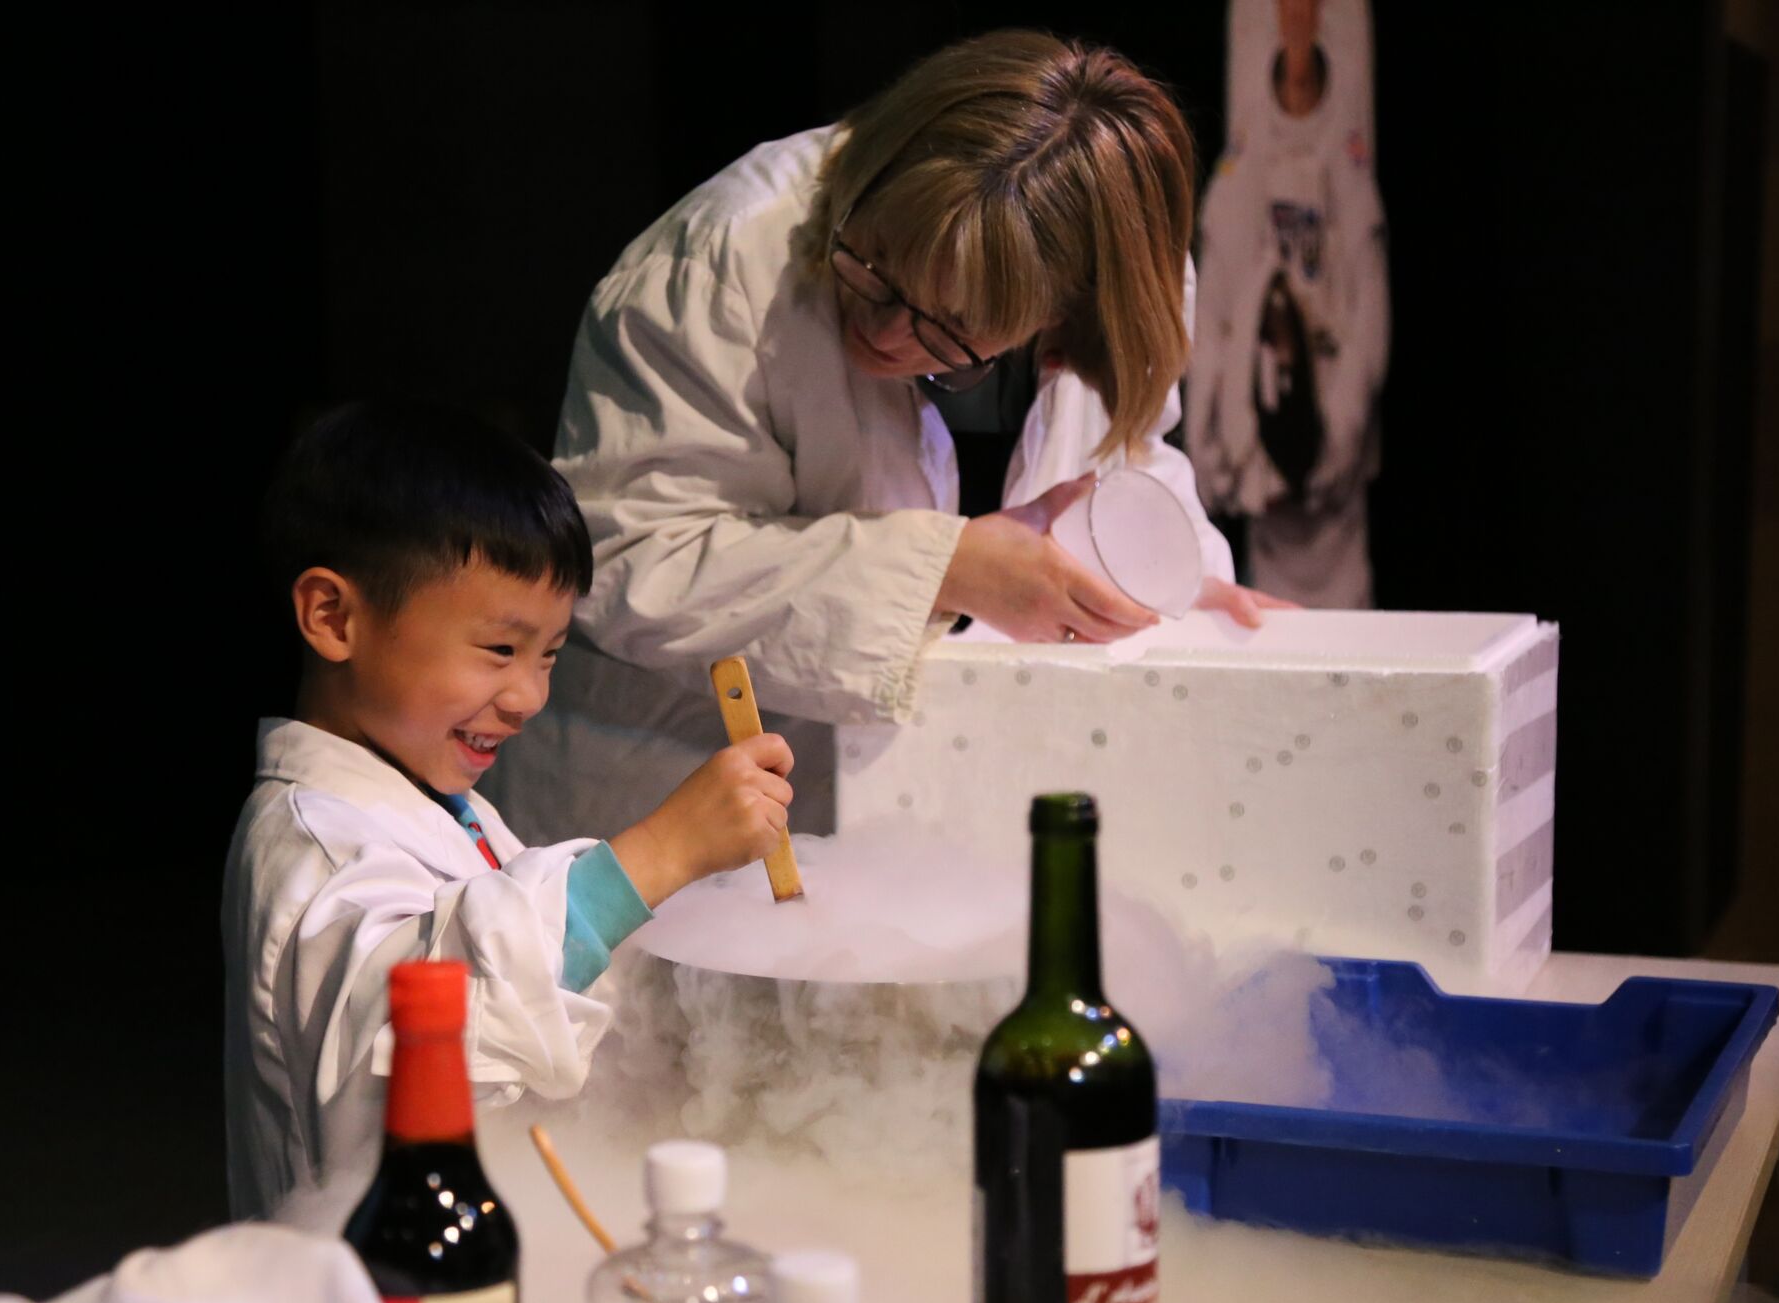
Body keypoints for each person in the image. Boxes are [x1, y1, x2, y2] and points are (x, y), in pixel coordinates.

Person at [487, 29, 1289, 846]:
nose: (884, 332)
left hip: (960, 797)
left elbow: (1133, 451)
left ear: (1060, 315)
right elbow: (629, 557)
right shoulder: (721, 261)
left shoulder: (1116, 288)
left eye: (952, 328)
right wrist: (946, 571)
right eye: (870, 269)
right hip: (677, 797)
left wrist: (1173, 576)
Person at [222, 400, 794, 1219]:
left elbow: (540, 991)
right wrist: (665, 850)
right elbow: (431, 1025)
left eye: (550, 655)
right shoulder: (313, 844)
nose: (528, 697)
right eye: (500, 649)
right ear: (333, 616)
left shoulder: (445, 805)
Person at [1187, 0, 1389, 608]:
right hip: (1262, 486)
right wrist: (1212, 452)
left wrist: (1336, 444)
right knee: (1274, 627)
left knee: (1344, 630)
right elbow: (1213, 324)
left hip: (1334, 488)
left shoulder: (1348, 186)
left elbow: (1368, 326)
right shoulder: (1234, 193)